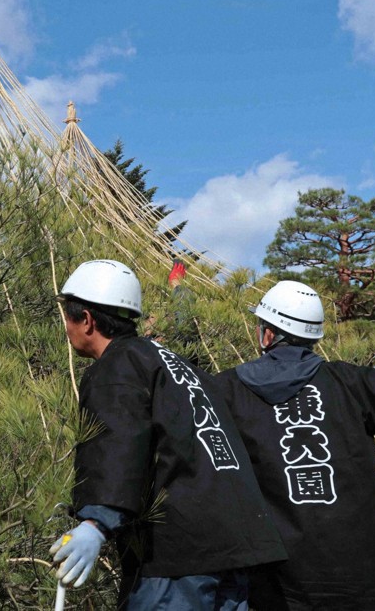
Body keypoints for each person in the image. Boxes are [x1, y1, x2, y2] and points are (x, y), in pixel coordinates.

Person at [212, 280, 375, 610]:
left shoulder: (226, 390)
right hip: (358, 579)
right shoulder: (351, 383)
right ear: (314, 337)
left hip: (276, 580)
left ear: (268, 334)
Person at [49, 259, 287, 610]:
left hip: (177, 558)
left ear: (86, 320)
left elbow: (118, 442)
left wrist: (96, 523)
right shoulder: (183, 368)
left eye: (67, 317)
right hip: (236, 549)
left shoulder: (118, 366)